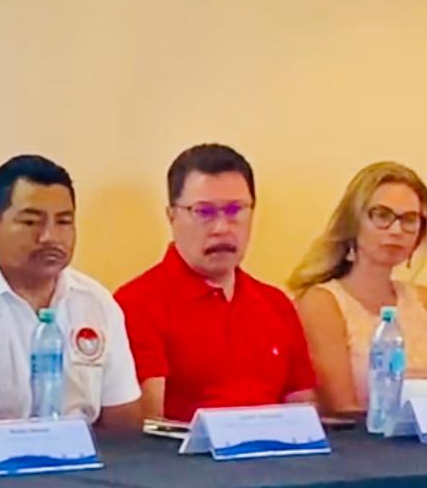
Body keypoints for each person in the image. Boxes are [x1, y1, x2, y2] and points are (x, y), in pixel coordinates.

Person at [0, 155, 142, 445]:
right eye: (31, 222)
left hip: (85, 467)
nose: (49, 237)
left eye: (64, 222)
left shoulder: (96, 303)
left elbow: (124, 425)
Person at [115, 144, 316, 422]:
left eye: (235, 210)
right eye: (204, 212)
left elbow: (303, 414)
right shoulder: (137, 304)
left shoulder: (276, 304)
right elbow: (151, 426)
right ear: (172, 216)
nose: (222, 228)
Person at [288, 162, 427, 415]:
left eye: (409, 220)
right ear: (353, 222)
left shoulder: (422, 299)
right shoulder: (322, 303)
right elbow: (342, 410)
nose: (396, 230)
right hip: (361, 437)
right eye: (382, 215)